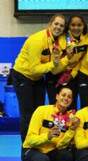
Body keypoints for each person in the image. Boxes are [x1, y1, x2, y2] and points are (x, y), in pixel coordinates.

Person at [13, 14, 67, 142]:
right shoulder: (37, 39)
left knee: (39, 112)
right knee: (27, 114)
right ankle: (26, 147)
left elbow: (54, 70)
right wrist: (54, 63)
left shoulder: (58, 42)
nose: (58, 27)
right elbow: (34, 69)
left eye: (61, 25)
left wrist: (66, 60)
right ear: (50, 24)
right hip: (23, 75)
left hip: (37, 78)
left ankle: (38, 143)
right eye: (56, 24)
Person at [22, 87, 79, 161]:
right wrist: (47, 136)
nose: (66, 98)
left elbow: (61, 144)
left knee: (66, 156)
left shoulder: (70, 118)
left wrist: (71, 130)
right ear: (57, 96)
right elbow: (30, 139)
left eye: (69, 96)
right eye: (63, 95)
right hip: (32, 150)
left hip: (52, 151)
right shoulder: (41, 110)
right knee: (42, 160)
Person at [46, 15, 88, 109]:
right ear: (68, 26)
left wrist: (72, 74)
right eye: (73, 25)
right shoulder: (61, 39)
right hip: (56, 74)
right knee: (55, 105)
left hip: (72, 75)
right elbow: (55, 67)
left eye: (79, 25)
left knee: (71, 105)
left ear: (84, 26)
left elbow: (82, 60)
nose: (76, 28)